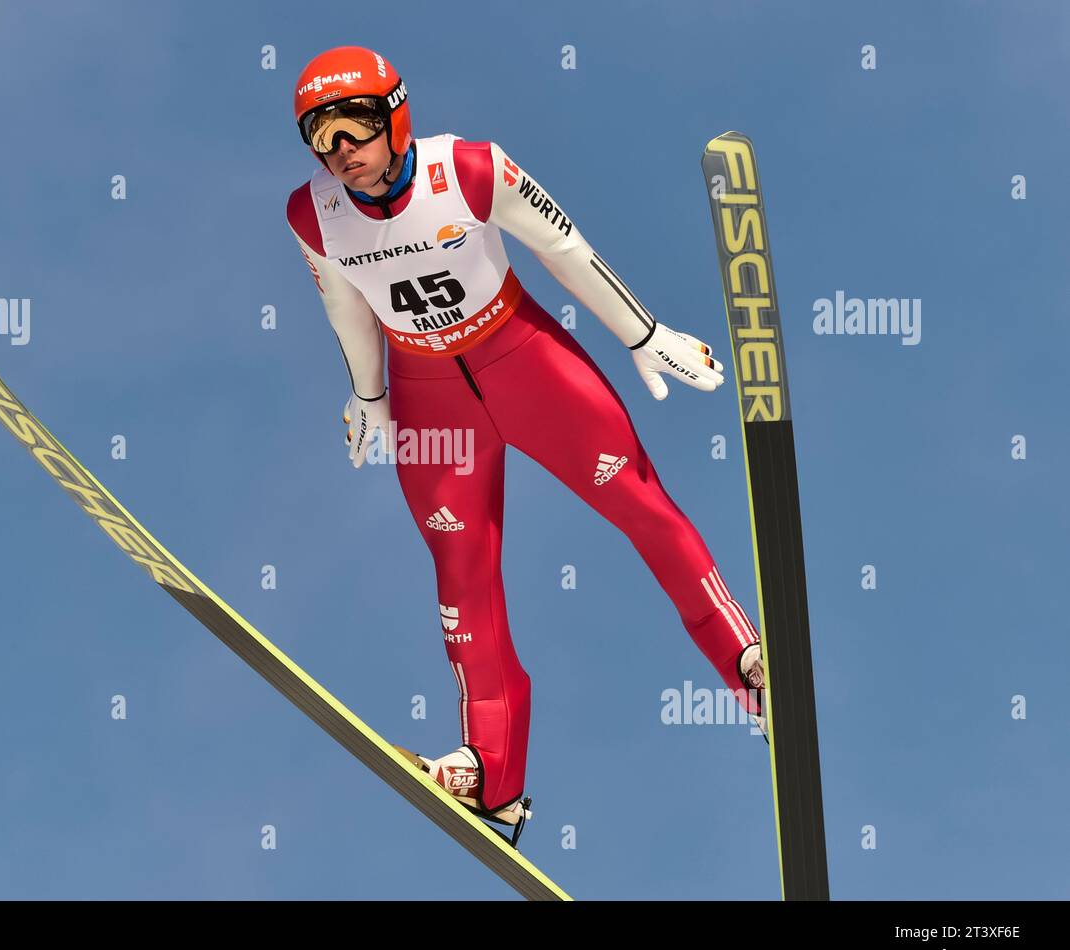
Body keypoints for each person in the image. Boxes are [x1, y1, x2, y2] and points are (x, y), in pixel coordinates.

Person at [285, 45, 766, 839]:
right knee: (462, 575)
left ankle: (751, 668)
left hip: (524, 362)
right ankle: (490, 771)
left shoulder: (471, 169)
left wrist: (645, 337)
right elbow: (344, 304)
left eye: (356, 129)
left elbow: (564, 249)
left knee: (641, 505)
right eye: (322, 139)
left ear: (395, 116)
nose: (344, 154)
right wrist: (368, 393)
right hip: (429, 397)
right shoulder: (313, 214)